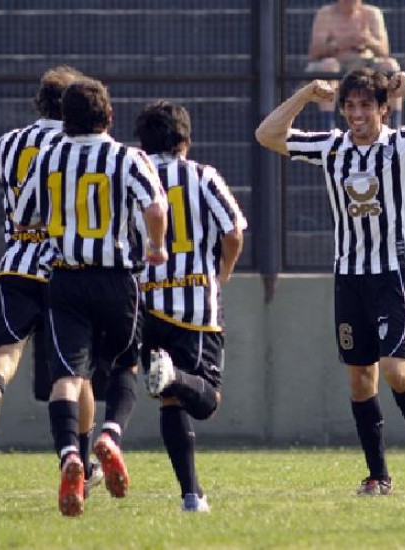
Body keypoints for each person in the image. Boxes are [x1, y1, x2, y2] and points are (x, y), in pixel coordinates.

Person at [255, 67, 405, 495]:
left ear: (383, 109)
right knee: (360, 378)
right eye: (350, 106)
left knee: (395, 368)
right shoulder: (332, 147)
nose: (356, 114)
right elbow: (267, 134)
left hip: (395, 273)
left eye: (365, 106)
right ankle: (378, 475)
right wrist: (303, 94)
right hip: (350, 276)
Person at [14, 78, 168, 517]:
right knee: (125, 364)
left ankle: (70, 456)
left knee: (67, 374)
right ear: (109, 115)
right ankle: (110, 435)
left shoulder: (48, 155)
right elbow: (156, 208)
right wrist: (156, 246)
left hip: (65, 277)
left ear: (65, 119)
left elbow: (25, 212)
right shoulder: (127, 156)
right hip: (117, 278)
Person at [0, 65, 103, 497]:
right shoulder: (80, 144)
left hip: (16, 263)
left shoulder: (13, 141)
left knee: (5, 351)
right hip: (66, 268)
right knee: (77, 373)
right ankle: (81, 456)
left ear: (39, 102)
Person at [133, 100, 247, 512]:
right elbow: (233, 229)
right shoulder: (202, 176)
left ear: (142, 144)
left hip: (146, 304)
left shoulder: (134, 176)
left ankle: (191, 495)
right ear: (186, 141)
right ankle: (176, 376)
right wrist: (224, 271)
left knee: (169, 398)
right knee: (206, 399)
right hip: (195, 306)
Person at [305, 0, 402, 130]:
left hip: (366, 64)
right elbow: (314, 53)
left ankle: (394, 129)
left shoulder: (372, 13)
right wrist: (339, 44)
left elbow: (384, 51)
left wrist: (367, 40)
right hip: (335, 63)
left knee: (390, 66)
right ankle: (328, 130)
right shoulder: (325, 14)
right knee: (329, 66)